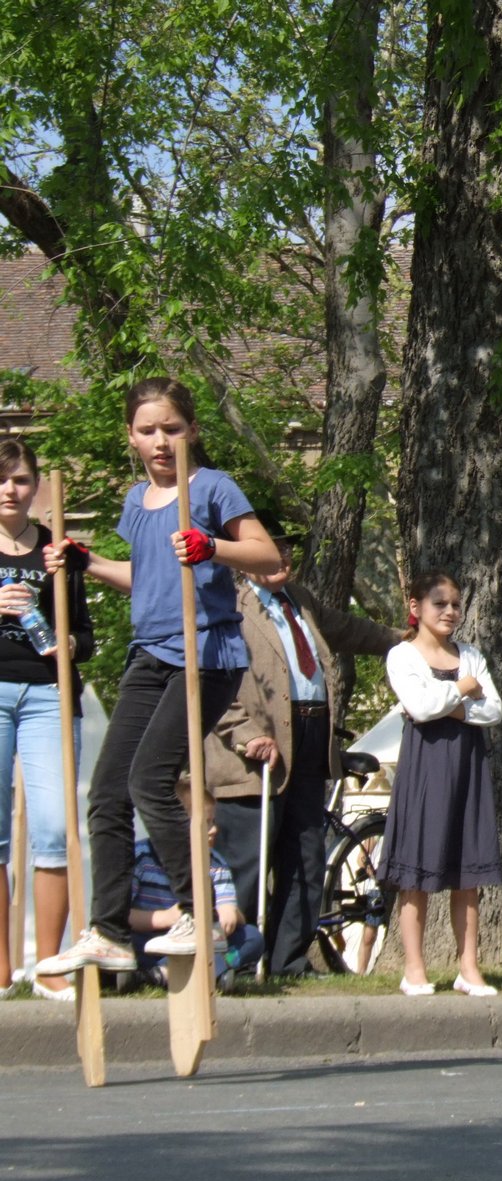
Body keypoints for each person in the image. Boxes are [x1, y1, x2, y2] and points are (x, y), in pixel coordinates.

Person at [37, 377, 279, 980]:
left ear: (192, 430)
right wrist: (88, 563)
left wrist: (211, 547)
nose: (161, 442)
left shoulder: (212, 488)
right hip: (149, 655)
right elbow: (146, 577)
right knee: (107, 792)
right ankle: (110, 932)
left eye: (172, 429)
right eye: (148, 431)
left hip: (206, 654)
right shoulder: (135, 499)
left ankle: (199, 914)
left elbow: (268, 555)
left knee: (150, 781)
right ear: (132, 437)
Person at [204, 529, 400, 978]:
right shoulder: (227, 605)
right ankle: (232, 959)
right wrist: (245, 735)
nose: (282, 560)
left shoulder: (300, 601)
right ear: (245, 558)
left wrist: (403, 639)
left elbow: (348, 628)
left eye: (287, 552)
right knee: (248, 859)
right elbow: (209, 682)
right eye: (271, 552)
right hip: (254, 752)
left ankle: (289, 960)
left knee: (305, 856)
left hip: (310, 738)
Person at [0, 437, 95, 1000]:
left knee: (56, 830)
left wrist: (68, 645)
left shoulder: (57, 553)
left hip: (48, 696)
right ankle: (0, 969)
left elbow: (85, 635)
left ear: (36, 487)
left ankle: (51, 966)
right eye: (1, 479)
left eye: (19, 479)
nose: (9, 490)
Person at [380, 571, 502, 997]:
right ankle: (414, 969)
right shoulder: (403, 656)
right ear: (415, 607)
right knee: (415, 869)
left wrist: (449, 704)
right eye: (440, 603)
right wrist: (463, 690)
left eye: (455, 604)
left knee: (468, 871)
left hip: (468, 764)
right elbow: (418, 705)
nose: (450, 611)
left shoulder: (470, 655)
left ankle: (468, 968)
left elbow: (494, 711)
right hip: (426, 766)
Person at [129, 785, 263, 991]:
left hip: (200, 943)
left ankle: (162, 974)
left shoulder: (214, 863)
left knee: (252, 937)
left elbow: (230, 911)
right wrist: (167, 918)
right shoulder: (141, 858)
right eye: (206, 822)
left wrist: (230, 913)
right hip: (152, 939)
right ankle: (212, 972)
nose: (214, 829)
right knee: (126, 940)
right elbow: (125, 916)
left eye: (213, 821)